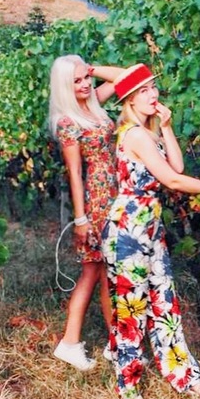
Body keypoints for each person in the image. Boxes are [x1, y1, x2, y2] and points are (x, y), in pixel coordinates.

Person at [101, 64, 200, 399]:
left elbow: (177, 166)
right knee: (132, 308)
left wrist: (167, 126)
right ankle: (128, 387)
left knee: (165, 303)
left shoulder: (149, 133)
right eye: (143, 90)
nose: (152, 94)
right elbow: (172, 180)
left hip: (150, 227)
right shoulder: (134, 134)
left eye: (153, 87)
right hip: (128, 231)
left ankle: (186, 377)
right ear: (129, 99)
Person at [49, 56, 124, 371]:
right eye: (76, 81)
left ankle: (113, 344)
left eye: (86, 78)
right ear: (64, 86)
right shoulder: (68, 121)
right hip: (97, 199)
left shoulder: (92, 101)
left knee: (103, 271)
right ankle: (78, 343)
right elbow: (75, 173)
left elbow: (126, 77)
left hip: (114, 192)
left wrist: (90, 69)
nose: (84, 85)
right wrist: (81, 219)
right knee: (95, 270)